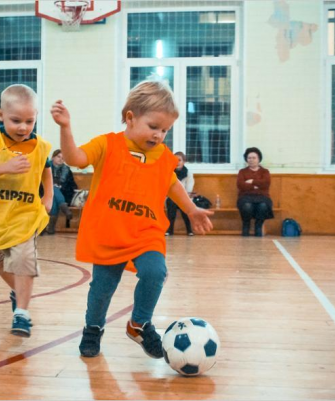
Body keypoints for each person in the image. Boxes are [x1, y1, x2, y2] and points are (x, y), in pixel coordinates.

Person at [50, 80, 213, 359]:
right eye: (154, 127)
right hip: (110, 232)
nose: (160, 135)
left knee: (155, 272)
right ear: (130, 118)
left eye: (165, 130)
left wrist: (191, 209)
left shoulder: (163, 157)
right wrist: (66, 128)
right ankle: (93, 327)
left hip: (146, 231)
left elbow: (172, 185)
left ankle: (139, 324)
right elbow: (75, 158)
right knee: (102, 289)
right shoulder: (108, 144)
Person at [0, 84, 53, 337]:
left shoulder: (40, 146)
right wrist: (6, 167)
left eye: (29, 121)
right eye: (16, 120)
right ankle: (18, 293)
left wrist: (48, 197)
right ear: (0, 115)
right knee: (0, 265)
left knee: (23, 260)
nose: (23, 127)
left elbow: (46, 171)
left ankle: (22, 314)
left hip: (25, 215)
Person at [236, 147, 274, 237]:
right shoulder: (242, 172)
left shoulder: (265, 172)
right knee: (247, 206)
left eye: (254, 158)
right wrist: (256, 186)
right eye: (249, 158)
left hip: (262, 197)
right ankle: (246, 226)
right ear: (246, 159)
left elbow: (265, 184)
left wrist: (251, 181)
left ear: (259, 159)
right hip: (245, 197)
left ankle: (258, 226)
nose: (251, 160)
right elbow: (241, 185)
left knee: (263, 206)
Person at [44, 149, 78, 235]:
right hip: (45, 192)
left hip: (62, 193)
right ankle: (64, 208)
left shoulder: (67, 170)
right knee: (53, 188)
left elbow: (71, 185)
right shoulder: (45, 167)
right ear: (53, 157)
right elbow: (40, 182)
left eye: (63, 158)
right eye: (58, 157)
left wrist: (60, 188)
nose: (60, 159)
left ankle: (49, 228)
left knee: (55, 196)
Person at [165, 151, 195, 236]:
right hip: (171, 197)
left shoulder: (188, 173)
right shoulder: (169, 171)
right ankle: (170, 230)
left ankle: (189, 230)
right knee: (171, 203)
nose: (177, 162)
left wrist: (180, 196)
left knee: (184, 204)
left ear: (184, 161)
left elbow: (189, 188)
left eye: (179, 160)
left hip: (185, 196)